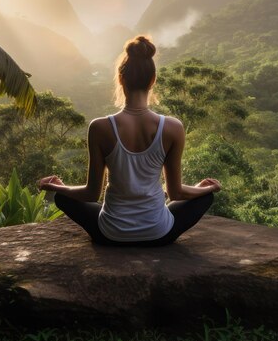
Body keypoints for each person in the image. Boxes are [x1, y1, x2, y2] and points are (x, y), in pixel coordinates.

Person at [37, 35, 221, 247]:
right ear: (153, 80)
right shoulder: (173, 127)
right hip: (159, 233)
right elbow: (176, 192)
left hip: (110, 233)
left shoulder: (99, 127)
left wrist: (59, 187)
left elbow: (91, 193)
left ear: (120, 79)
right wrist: (205, 189)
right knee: (205, 198)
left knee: (63, 198)